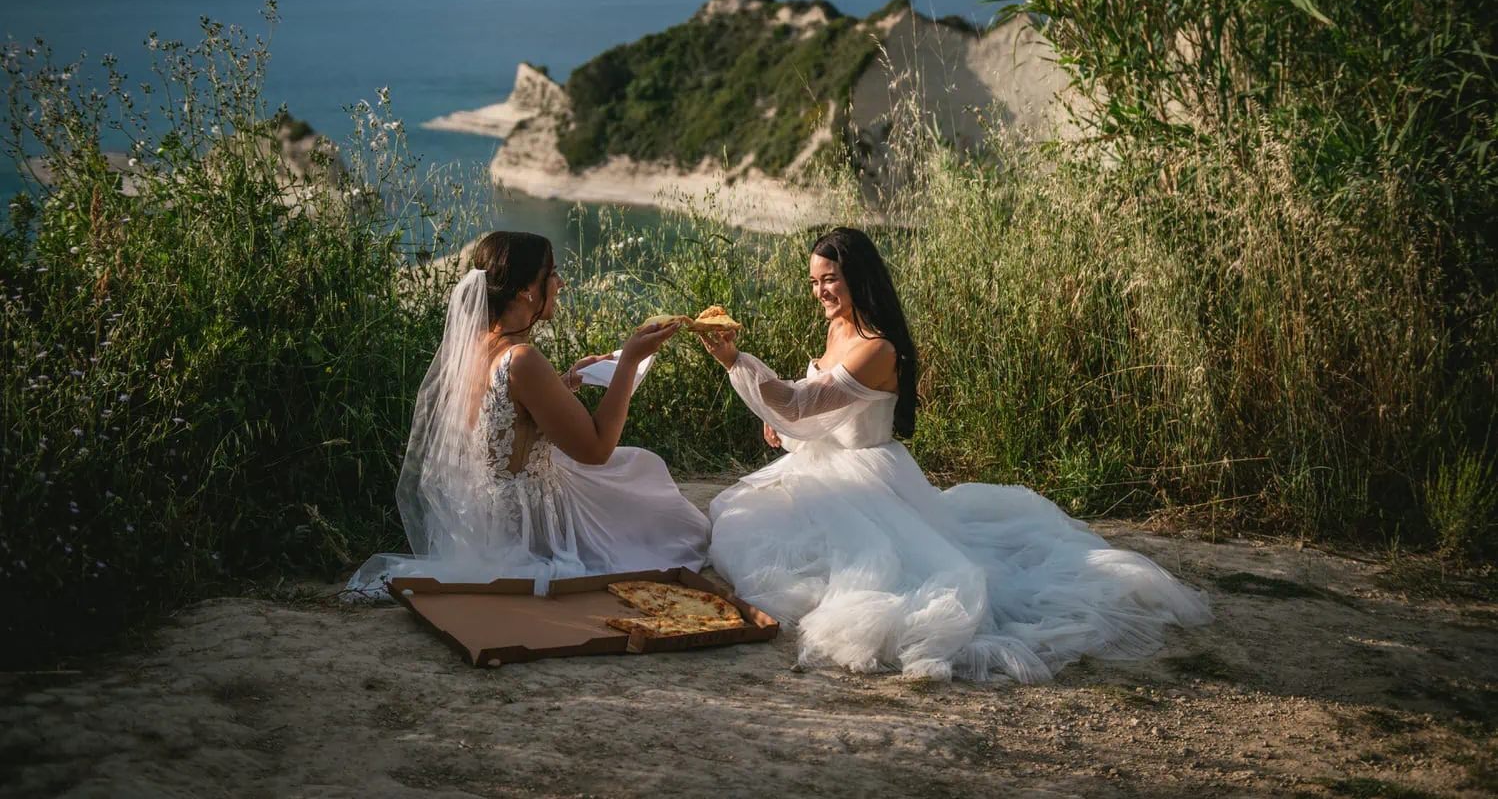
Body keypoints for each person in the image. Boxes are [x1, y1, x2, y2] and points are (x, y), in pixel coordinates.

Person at [699, 227, 1210, 681]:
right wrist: (786, 431)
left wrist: (734, 361)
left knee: (871, 580)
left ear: (856, 276)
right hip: (824, 467)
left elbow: (798, 401)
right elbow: (812, 413)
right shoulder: (838, 328)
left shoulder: (878, 349)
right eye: (813, 282)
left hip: (866, 478)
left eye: (828, 278)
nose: (820, 292)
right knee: (742, 521)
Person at [347, 231, 709, 597]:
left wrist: (564, 382)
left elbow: (509, 413)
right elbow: (597, 449)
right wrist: (629, 361)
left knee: (632, 471)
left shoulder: (475, 347)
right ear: (525, 291)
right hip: (529, 528)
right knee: (663, 509)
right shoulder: (523, 360)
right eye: (551, 273)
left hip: (485, 517)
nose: (560, 282)